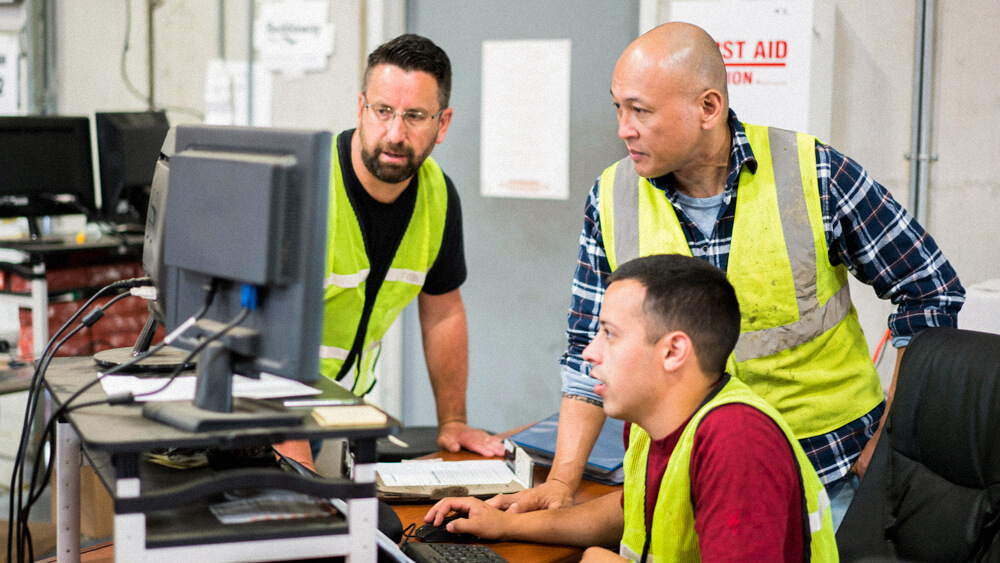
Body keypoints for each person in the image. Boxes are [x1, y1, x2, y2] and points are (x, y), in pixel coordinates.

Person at [489, 22, 965, 527]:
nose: (623, 128)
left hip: (830, 477)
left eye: (641, 110)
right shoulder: (611, 198)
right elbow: (587, 345)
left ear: (708, 108)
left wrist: (888, 438)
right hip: (677, 482)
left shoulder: (815, 174)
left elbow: (931, 291)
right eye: (618, 108)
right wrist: (562, 482)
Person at [425, 254, 838, 561]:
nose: (589, 353)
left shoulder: (736, 441)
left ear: (674, 350)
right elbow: (628, 509)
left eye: (609, 334)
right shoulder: (652, 424)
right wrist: (506, 523)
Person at [277, 34, 504, 467]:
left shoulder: (438, 195)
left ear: (443, 123)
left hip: (340, 411)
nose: (395, 133)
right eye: (383, 111)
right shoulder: (304, 186)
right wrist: (293, 458)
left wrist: (453, 420)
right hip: (268, 420)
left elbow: (443, 312)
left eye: (415, 116)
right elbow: (262, 333)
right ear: (361, 108)